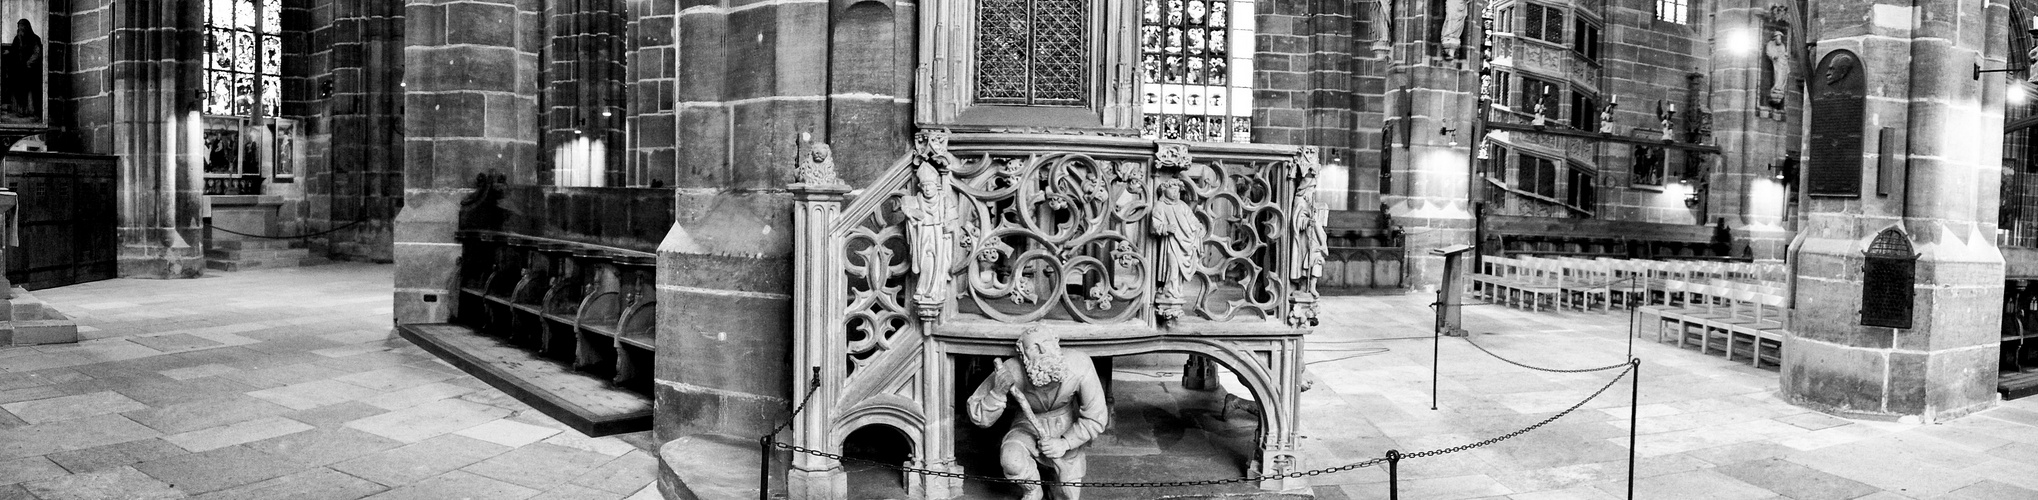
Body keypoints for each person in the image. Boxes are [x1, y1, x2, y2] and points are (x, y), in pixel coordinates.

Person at [967, 327, 1108, 500]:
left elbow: (1097, 418)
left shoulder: (1079, 364)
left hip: (1067, 427)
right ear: (1023, 355)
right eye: (1033, 348)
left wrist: (1064, 443)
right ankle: (1033, 489)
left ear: (1056, 344)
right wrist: (997, 393)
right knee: (1012, 461)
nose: (1042, 351)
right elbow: (978, 416)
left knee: (1066, 496)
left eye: (1046, 343)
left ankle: (1056, 479)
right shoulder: (1012, 370)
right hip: (1026, 428)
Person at [1149, 178, 1205, 305]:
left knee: (1178, 271)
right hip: (1171, 243)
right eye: (1172, 190)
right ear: (1164, 190)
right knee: (1172, 267)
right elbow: (1153, 225)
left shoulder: (1182, 205)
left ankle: (1177, 291)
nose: (1176, 193)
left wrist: (1198, 226)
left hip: (1185, 243)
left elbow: (1192, 220)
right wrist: (1165, 228)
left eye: (1177, 191)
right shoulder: (1160, 206)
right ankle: (1169, 291)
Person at [2, 19, 44, 117]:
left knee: (29, 87)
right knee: (17, 84)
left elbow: (37, 54)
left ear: (27, 27)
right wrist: (9, 53)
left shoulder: (35, 39)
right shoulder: (17, 39)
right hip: (19, 69)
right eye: (19, 27)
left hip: (30, 69)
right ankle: (20, 110)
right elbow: (14, 51)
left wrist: (28, 63)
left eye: (23, 26)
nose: (21, 29)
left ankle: (30, 110)